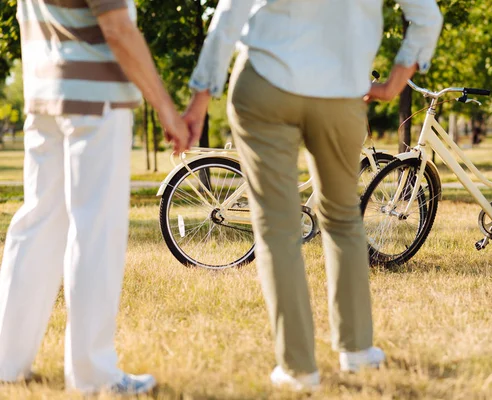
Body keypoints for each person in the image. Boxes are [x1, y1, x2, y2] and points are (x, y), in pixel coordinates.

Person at [182, 0, 443, 391]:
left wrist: (200, 99)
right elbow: (426, 17)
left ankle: (298, 370)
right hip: (339, 93)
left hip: (265, 84)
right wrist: (393, 83)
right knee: (342, 218)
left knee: (277, 228)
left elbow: (228, 15)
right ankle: (356, 351)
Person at [0, 0, 190, 394]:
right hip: (94, 102)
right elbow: (118, 29)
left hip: (43, 94)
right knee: (95, 231)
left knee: (37, 225)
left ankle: (7, 359)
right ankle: (94, 373)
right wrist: (166, 109)